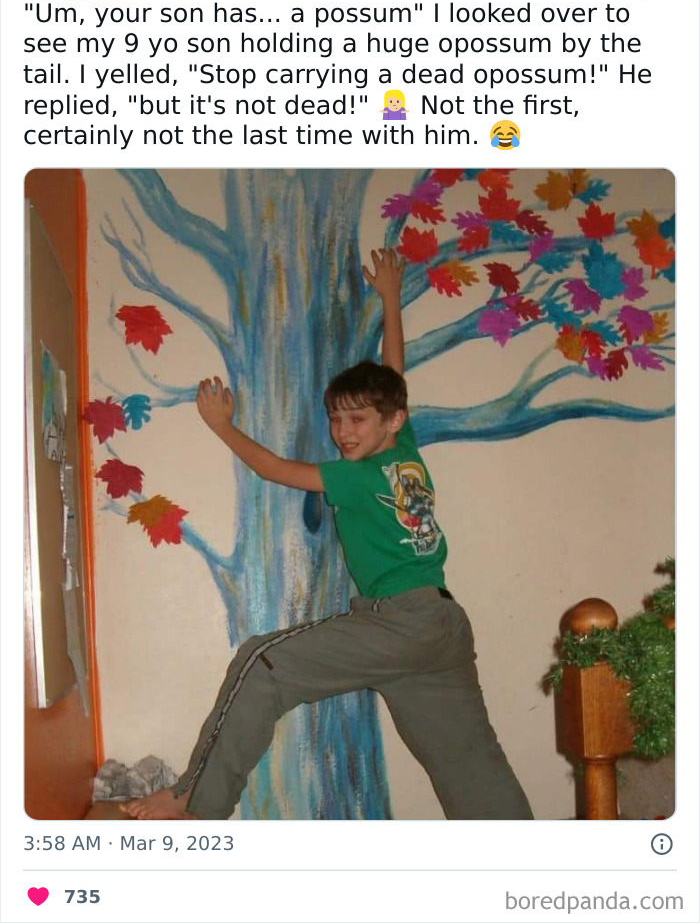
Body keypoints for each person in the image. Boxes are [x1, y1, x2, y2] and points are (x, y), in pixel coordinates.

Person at [123, 249, 532, 820]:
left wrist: (222, 426)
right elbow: (395, 377)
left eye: (357, 420)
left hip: (403, 619)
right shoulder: (405, 451)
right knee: (471, 767)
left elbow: (272, 468)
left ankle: (196, 800)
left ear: (389, 421)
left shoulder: (357, 476)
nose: (342, 432)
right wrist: (389, 299)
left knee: (260, 660)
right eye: (336, 419)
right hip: (442, 628)